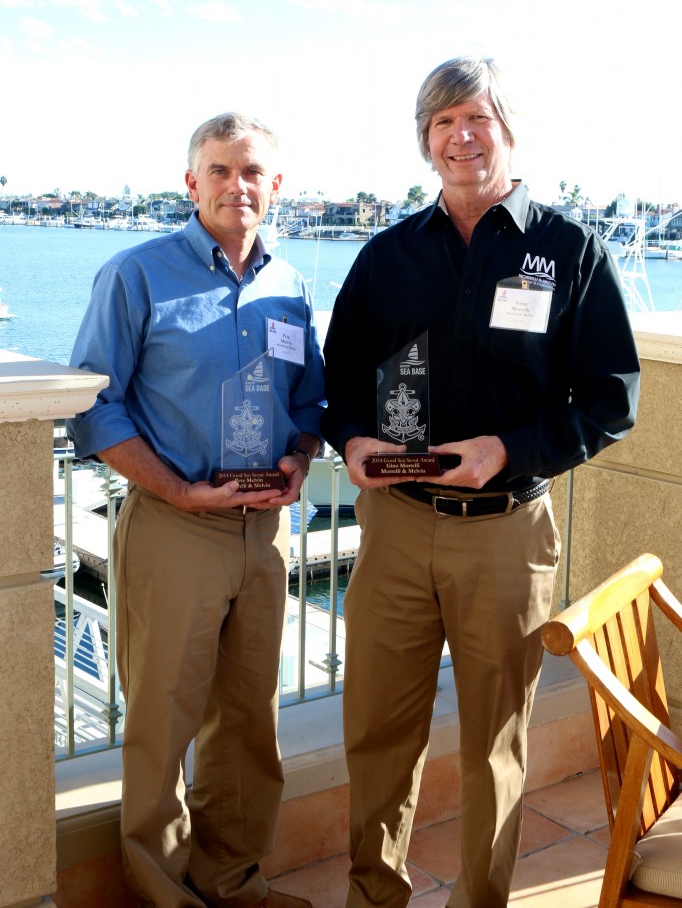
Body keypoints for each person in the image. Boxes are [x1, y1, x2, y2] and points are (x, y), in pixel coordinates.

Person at [322, 57, 640, 908]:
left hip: (508, 530)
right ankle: (372, 896)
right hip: (395, 524)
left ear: (506, 130)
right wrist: (350, 437)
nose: (461, 137)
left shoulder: (568, 249)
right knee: (379, 733)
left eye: (477, 118)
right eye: (442, 122)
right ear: (425, 142)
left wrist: (511, 447)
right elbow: (342, 375)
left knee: (495, 739)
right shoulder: (388, 255)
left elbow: (612, 399)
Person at [68, 113, 325, 908]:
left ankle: (235, 885)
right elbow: (95, 409)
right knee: (161, 726)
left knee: (249, 725)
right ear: (192, 182)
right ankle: (162, 894)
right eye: (219, 170)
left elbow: (310, 395)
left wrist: (302, 452)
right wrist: (177, 489)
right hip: (174, 526)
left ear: (274, 187)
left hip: (265, 531)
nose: (236, 186)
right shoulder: (135, 274)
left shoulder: (290, 285)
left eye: (252, 172)